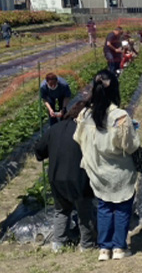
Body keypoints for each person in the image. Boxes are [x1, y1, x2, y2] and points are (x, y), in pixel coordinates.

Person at [73, 69, 140, 261]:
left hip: (98, 171)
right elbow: (130, 146)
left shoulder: (85, 115)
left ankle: (104, 248)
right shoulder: (120, 117)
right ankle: (119, 247)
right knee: (122, 207)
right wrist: (134, 131)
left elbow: (78, 139)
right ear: (115, 91)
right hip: (120, 171)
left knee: (104, 207)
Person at [34, 101, 95, 253]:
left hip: (56, 177)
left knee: (61, 210)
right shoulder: (84, 130)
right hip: (79, 177)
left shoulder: (54, 129)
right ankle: (86, 245)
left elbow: (39, 151)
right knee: (84, 212)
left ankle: (58, 244)